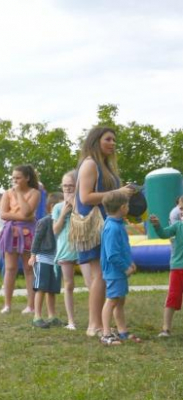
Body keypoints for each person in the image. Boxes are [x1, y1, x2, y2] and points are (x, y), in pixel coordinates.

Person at [73, 126, 137, 337]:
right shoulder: (90, 164)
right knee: (100, 274)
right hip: (95, 226)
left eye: (114, 140)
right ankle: (95, 325)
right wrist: (118, 191)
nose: (113, 143)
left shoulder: (105, 166)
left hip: (107, 224)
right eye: (108, 139)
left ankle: (102, 323)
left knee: (102, 274)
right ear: (95, 140)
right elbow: (85, 197)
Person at [0, 165, 41, 314]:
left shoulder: (35, 193)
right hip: (11, 233)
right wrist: (25, 217)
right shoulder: (7, 193)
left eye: (18, 178)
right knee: (10, 268)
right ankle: (7, 305)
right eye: (13, 178)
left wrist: (18, 194)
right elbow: (3, 214)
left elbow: (27, 211)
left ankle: (31, 306)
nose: (14, 181)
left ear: (27, 178)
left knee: (29, 268)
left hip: (28, 233)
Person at [99, 191, 138, 345]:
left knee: (119, 301)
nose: (128, 207)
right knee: (112, 301)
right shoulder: (112, 228)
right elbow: (112, 255)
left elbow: (122, 248)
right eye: (127, 205)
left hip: (119, 271)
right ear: (122, 207)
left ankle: (122, 331)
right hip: (115, 272)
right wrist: (125, 268)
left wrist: (130, 262)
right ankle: (106, 334)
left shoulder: (118, 224)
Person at [28, 192, 63, 328]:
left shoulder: (64, 222)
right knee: (41, 287)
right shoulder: (44, 221)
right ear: (53, 206)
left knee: (52, 289)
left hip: (56, 259)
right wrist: (33, 255)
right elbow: (36, 239)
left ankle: (52, 316)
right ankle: (37, 316)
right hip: (43, 258)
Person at [52, 171, 80, 330]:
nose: (68, 189)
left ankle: (96, 320)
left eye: (71, 186)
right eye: (65, 186)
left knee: (93, 282)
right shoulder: (57, 207)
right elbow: (55, 230)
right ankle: (71, 321)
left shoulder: (83, 204)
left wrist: (75, 205)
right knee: (68, 284)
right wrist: (63, 213)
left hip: (82, 247)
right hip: (65, 248)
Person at [150, 213, 183, 337]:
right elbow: (164, 234)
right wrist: (157, 226)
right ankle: (166, 329)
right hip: (178, 267)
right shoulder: (178, 226)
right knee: (173, 297)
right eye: (181, 208)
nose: (181, 211)